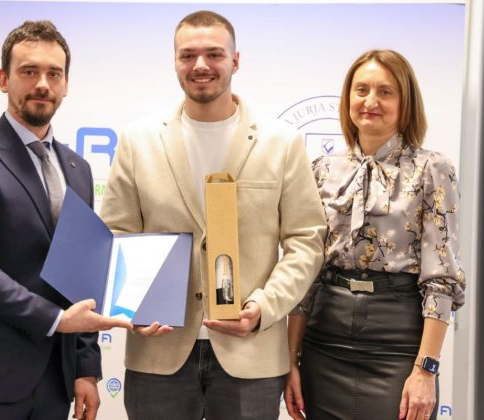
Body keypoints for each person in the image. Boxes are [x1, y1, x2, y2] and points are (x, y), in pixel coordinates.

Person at [100, 10, 326, 420]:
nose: (200, 65)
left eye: (214, 54)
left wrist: (264, 307)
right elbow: (116, 233)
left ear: (235, 61)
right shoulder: (137, 140)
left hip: (251, 356)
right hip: (158, 352)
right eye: (188, 55)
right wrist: (131, 306)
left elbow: (306, 241)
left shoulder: (282, 143)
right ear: (175, 62)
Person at [0, 20, 131, 420]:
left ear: (66, 84)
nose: (42, 84)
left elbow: (81, 276)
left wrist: (85, 369)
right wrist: (57, 320)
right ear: (4, 79)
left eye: (54, 74)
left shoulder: (78, 169)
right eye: (29, 71)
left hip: (53, 385)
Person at [284, 49, 467, 420]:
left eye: (385, 92)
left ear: (405, 102)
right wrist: (290, 361)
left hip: (398, 346)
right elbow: (306, 275)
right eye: (361, 90)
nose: (370, 101)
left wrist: (425, 371)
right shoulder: (321, 169)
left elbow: (442, 279)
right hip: (325, 343)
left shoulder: (433, 169)